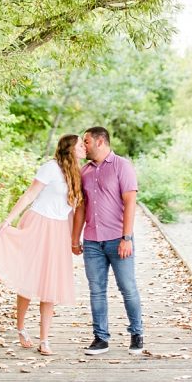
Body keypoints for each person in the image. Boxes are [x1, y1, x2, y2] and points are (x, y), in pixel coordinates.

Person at [0, 134, 87, 356]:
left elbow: (73, 209)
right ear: (70, 149)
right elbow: (30, 194)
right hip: (38, 224)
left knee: (51, 284)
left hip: (59, 230)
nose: (84, 148)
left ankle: (45, 339)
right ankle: (20, 327)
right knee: (30, 280)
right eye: (80, 145)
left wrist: (74, 237)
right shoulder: (50, 168)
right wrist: (8, 219)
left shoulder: (78, 173)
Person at [71, 126, 144, 355]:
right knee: (96, 290)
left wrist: (127, 238)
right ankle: (100, 338)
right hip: (92, 241)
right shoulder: (85, 171)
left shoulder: (123, 166)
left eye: (87, 142)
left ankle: (136, 333)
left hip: (117, 240)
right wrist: (75, 239)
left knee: (128, 288)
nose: (84, 146)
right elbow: (81, 207)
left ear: (100, 141)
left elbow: (130, 202)